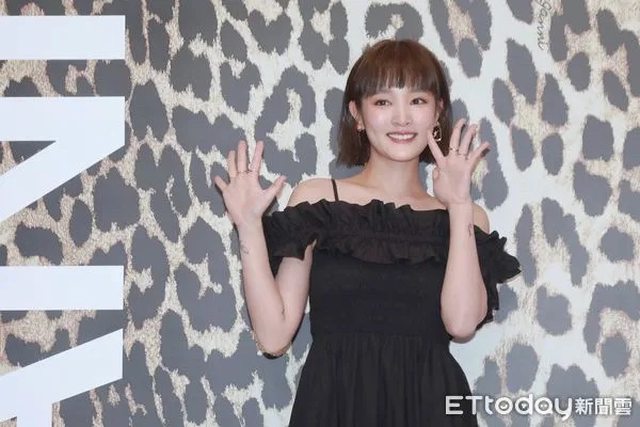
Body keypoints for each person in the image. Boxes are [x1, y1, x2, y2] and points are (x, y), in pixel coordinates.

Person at [214, 39, 521, 426]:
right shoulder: (318, 200)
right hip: (334, 407)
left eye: (417, 100)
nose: (402, 118)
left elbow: (461, 324)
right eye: (382, 102)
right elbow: (274, 338)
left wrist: (458, 204)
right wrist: (248, 227)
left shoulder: (466, 218)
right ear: (357, 114)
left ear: (438, 112)